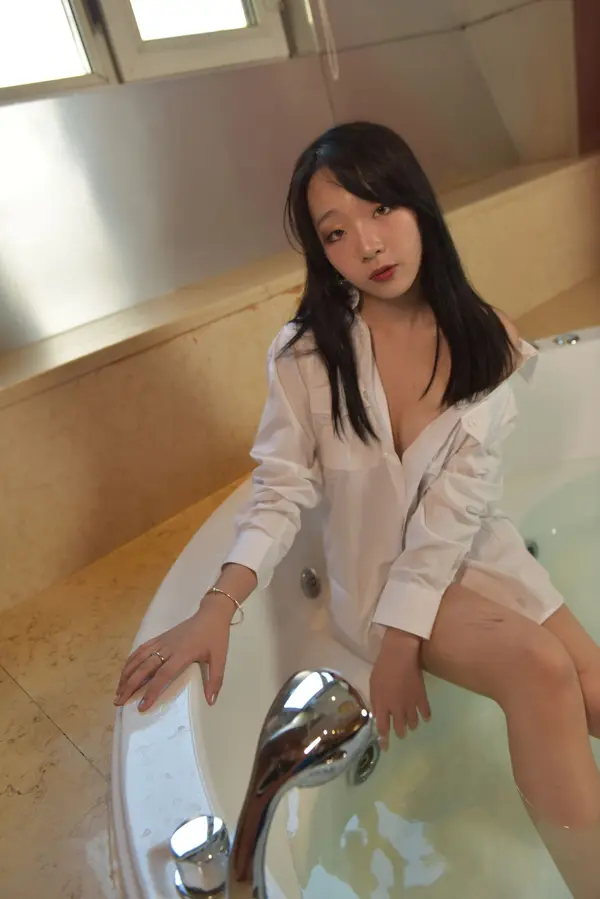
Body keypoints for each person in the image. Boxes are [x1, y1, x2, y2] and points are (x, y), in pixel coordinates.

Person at [116, 122, 600, 872]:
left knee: (592, 677)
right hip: (379, 582)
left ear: (418, 206)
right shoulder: (309, 354)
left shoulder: (487, 340)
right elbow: (279, 488)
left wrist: (408, 643)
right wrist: (218, 605)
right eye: (336, 232)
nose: (369, 245)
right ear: (322, 251)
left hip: (474, 549)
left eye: (381, 210)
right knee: (540, 668)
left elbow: (457, 511)